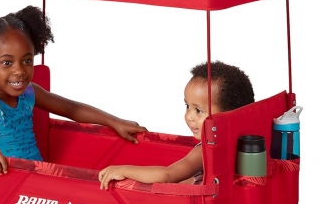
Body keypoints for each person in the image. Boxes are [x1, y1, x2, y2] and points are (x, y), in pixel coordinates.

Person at [0, 6, 146, 174]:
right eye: (7, 63)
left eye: (27, 60)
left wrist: (114, 122)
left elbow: (72, 109)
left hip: (38, 181)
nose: (19, 71)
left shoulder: (29, 93)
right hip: (4, 188)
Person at [98, 61, 255, 189]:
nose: (189, 116)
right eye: (187, 106)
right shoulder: (244, 143)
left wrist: (123, 170)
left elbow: (167, 175)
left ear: (228, 115)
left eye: (198, 110)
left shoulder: (207, 149)